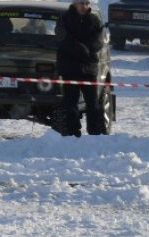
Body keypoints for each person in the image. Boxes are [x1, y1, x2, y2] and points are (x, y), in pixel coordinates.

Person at [56, 0, 108, 136]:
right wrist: (80, 49)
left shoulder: (93, 19)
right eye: (81, 3)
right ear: (74, 4)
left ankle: (95, 133)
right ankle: (72, 133)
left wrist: (88, 49)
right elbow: (62, 38)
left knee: (93, 103)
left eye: (86, 3)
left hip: (88, 68)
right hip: (70, 67)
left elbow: (99, 40)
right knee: (70, 102)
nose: (84, 6)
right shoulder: (64, 18)